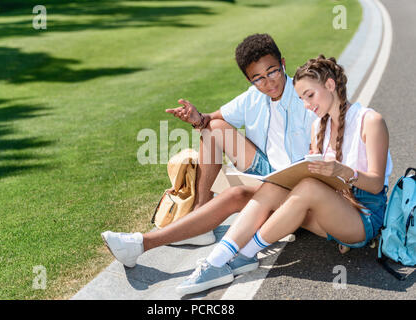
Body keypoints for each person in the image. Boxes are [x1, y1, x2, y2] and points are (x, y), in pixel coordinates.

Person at [175, 54, 393, 296]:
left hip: (362, 217)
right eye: (302, 99)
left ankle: (241, 255)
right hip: (332, 211)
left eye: (310, 96)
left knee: (308, 187)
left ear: (330, 85)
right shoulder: (317, 126)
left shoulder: (371, 121)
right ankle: (217, 261)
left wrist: (341, 171)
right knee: (274, 186)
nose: (307, 105)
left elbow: (374, 185)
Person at [100, 33, 316, 268]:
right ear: (249, 79)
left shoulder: (306, 98)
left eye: (272, 71)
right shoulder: (253, 97)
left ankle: (141, 244)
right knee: (214, 129)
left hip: (296, 192)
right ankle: (200, 215)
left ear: (283, 64)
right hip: (267, 174)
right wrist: (196, 119)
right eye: (258, 78)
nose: (268, 82)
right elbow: (210, 120)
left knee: (233, 195)